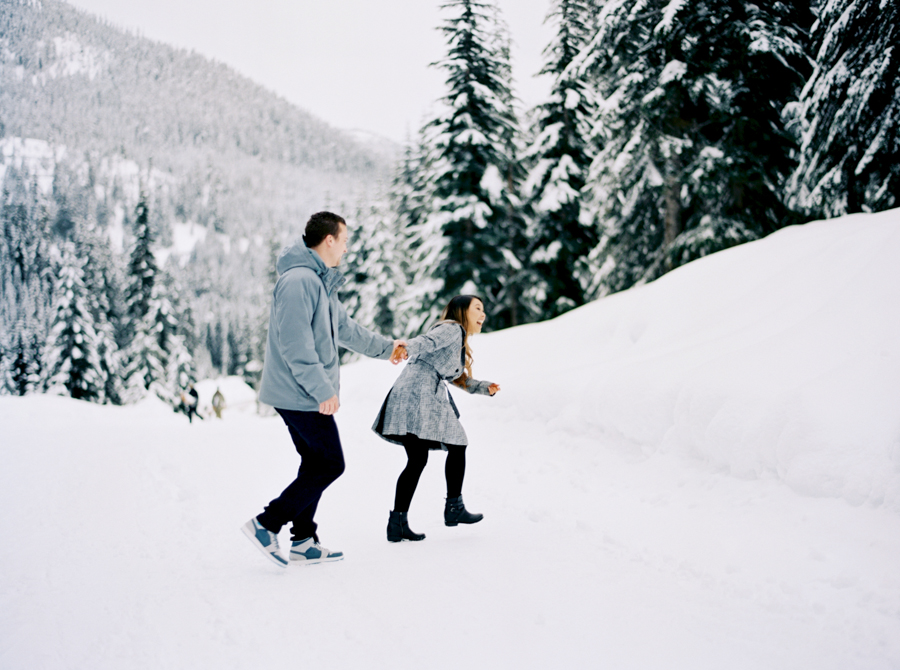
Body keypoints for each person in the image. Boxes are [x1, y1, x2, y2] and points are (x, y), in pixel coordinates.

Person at [242, 211, 407, 568]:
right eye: (344, 240)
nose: (347, 249)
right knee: (330, 463)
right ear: (328, 240)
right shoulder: (299, 281)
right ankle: (266, 524)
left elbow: (347, 329)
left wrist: (387, 348)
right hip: (298, 392)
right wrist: (321, 390)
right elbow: (296, 345)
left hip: (304, 391)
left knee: (315, 462)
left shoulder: (319, 282)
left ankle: (303, 541)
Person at [373, 295, 500, 543]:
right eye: (477, 308)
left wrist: (486, 387)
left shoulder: (455, 338)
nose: (483, 314)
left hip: (409, 391)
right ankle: (454, 508)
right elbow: (427, 341)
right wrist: (404, 347)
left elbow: (457, 378)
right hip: (420, 393)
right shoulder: (452, 328)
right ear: (462, 311)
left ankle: (397, 523)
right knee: (457, 442)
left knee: (417, 459)